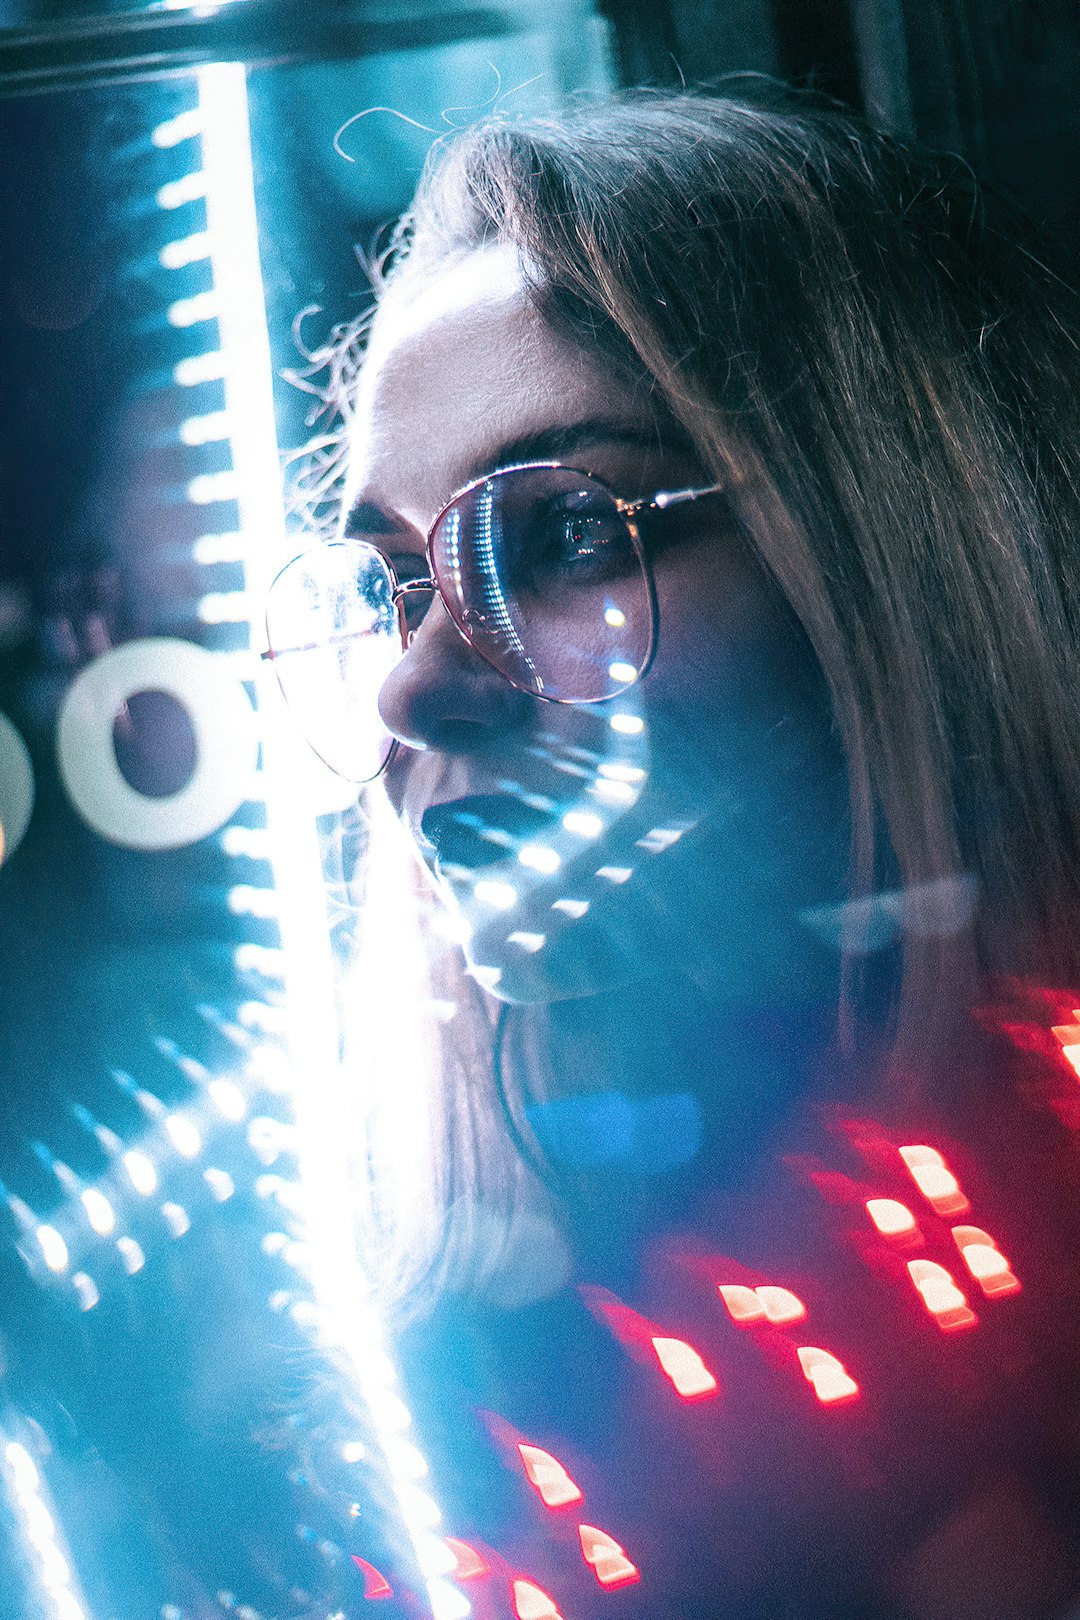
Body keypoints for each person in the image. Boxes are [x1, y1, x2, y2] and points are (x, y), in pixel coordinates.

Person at [269, 87, 1080, 1619]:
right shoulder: (495, 1406)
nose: (413, 683)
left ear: (897, 565)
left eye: (565, 536)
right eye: (393, 589)